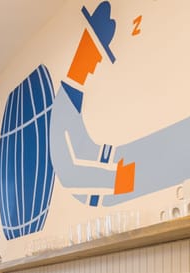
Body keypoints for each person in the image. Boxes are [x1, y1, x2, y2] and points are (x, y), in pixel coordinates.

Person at [48, 1, 135, 206]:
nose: (96, 63)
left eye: (97, 56)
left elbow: (77, 160)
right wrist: (117, 179)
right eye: (95, 54)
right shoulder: (65, 105)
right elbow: (69, 168)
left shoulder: (70, 100)